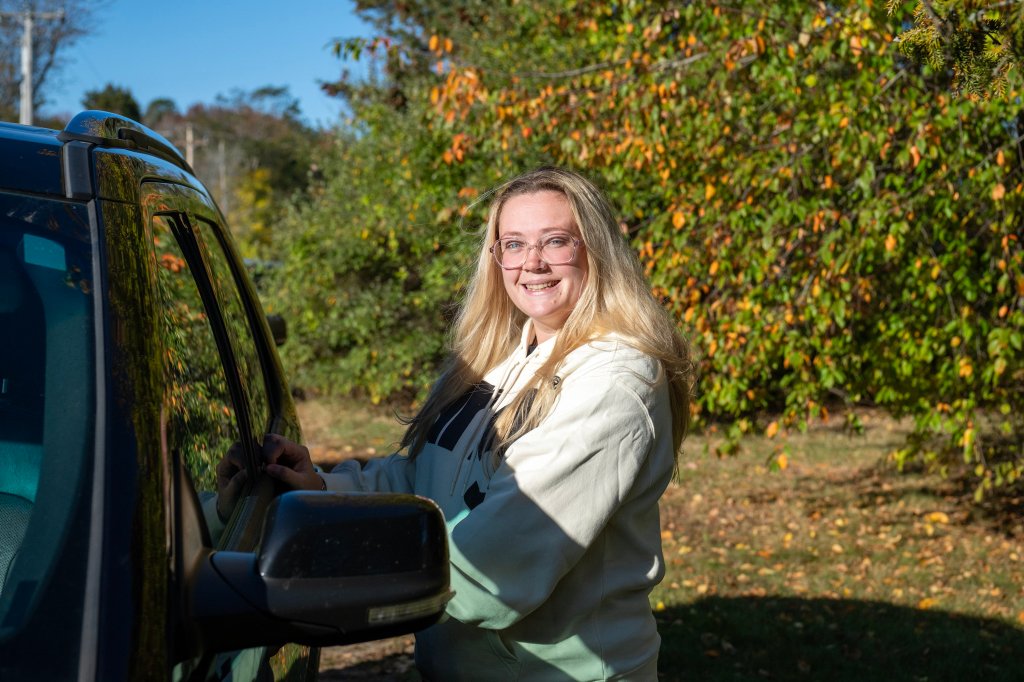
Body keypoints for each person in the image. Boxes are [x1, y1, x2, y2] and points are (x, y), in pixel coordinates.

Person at [262, 166, 693, 681]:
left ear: (596, 249)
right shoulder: (497, 358)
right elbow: (423, 480)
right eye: (514, 244)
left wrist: (330, 561)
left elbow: (495, 568)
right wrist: (322, 489)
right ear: (496, 258)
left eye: (556, 241)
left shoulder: (614, 379)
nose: (532, 262)